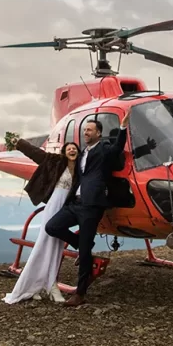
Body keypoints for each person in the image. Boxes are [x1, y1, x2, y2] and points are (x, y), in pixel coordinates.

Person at [44, 109, 130, 307]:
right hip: (75, 203)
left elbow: (118, 147)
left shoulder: (104, 149)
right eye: (85, 130)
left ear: (99, 133)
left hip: (92, 206)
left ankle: (80, 293)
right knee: (52, 227)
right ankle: (83, 244)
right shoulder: (82, 153)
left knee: (84, 255)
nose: (86, 133)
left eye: (90, 130)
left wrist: (123, 126)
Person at [1, 137, 81, 304]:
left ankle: (43, 284)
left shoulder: (80, 169)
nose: (72, 150)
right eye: (69, 148)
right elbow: (37, 154)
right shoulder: (56, 162)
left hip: (65, 208)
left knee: (57, 245)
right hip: (53, 206)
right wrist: (20, 143)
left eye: (75, 148)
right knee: (45, 243)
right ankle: (43, 285)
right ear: (64, 152)